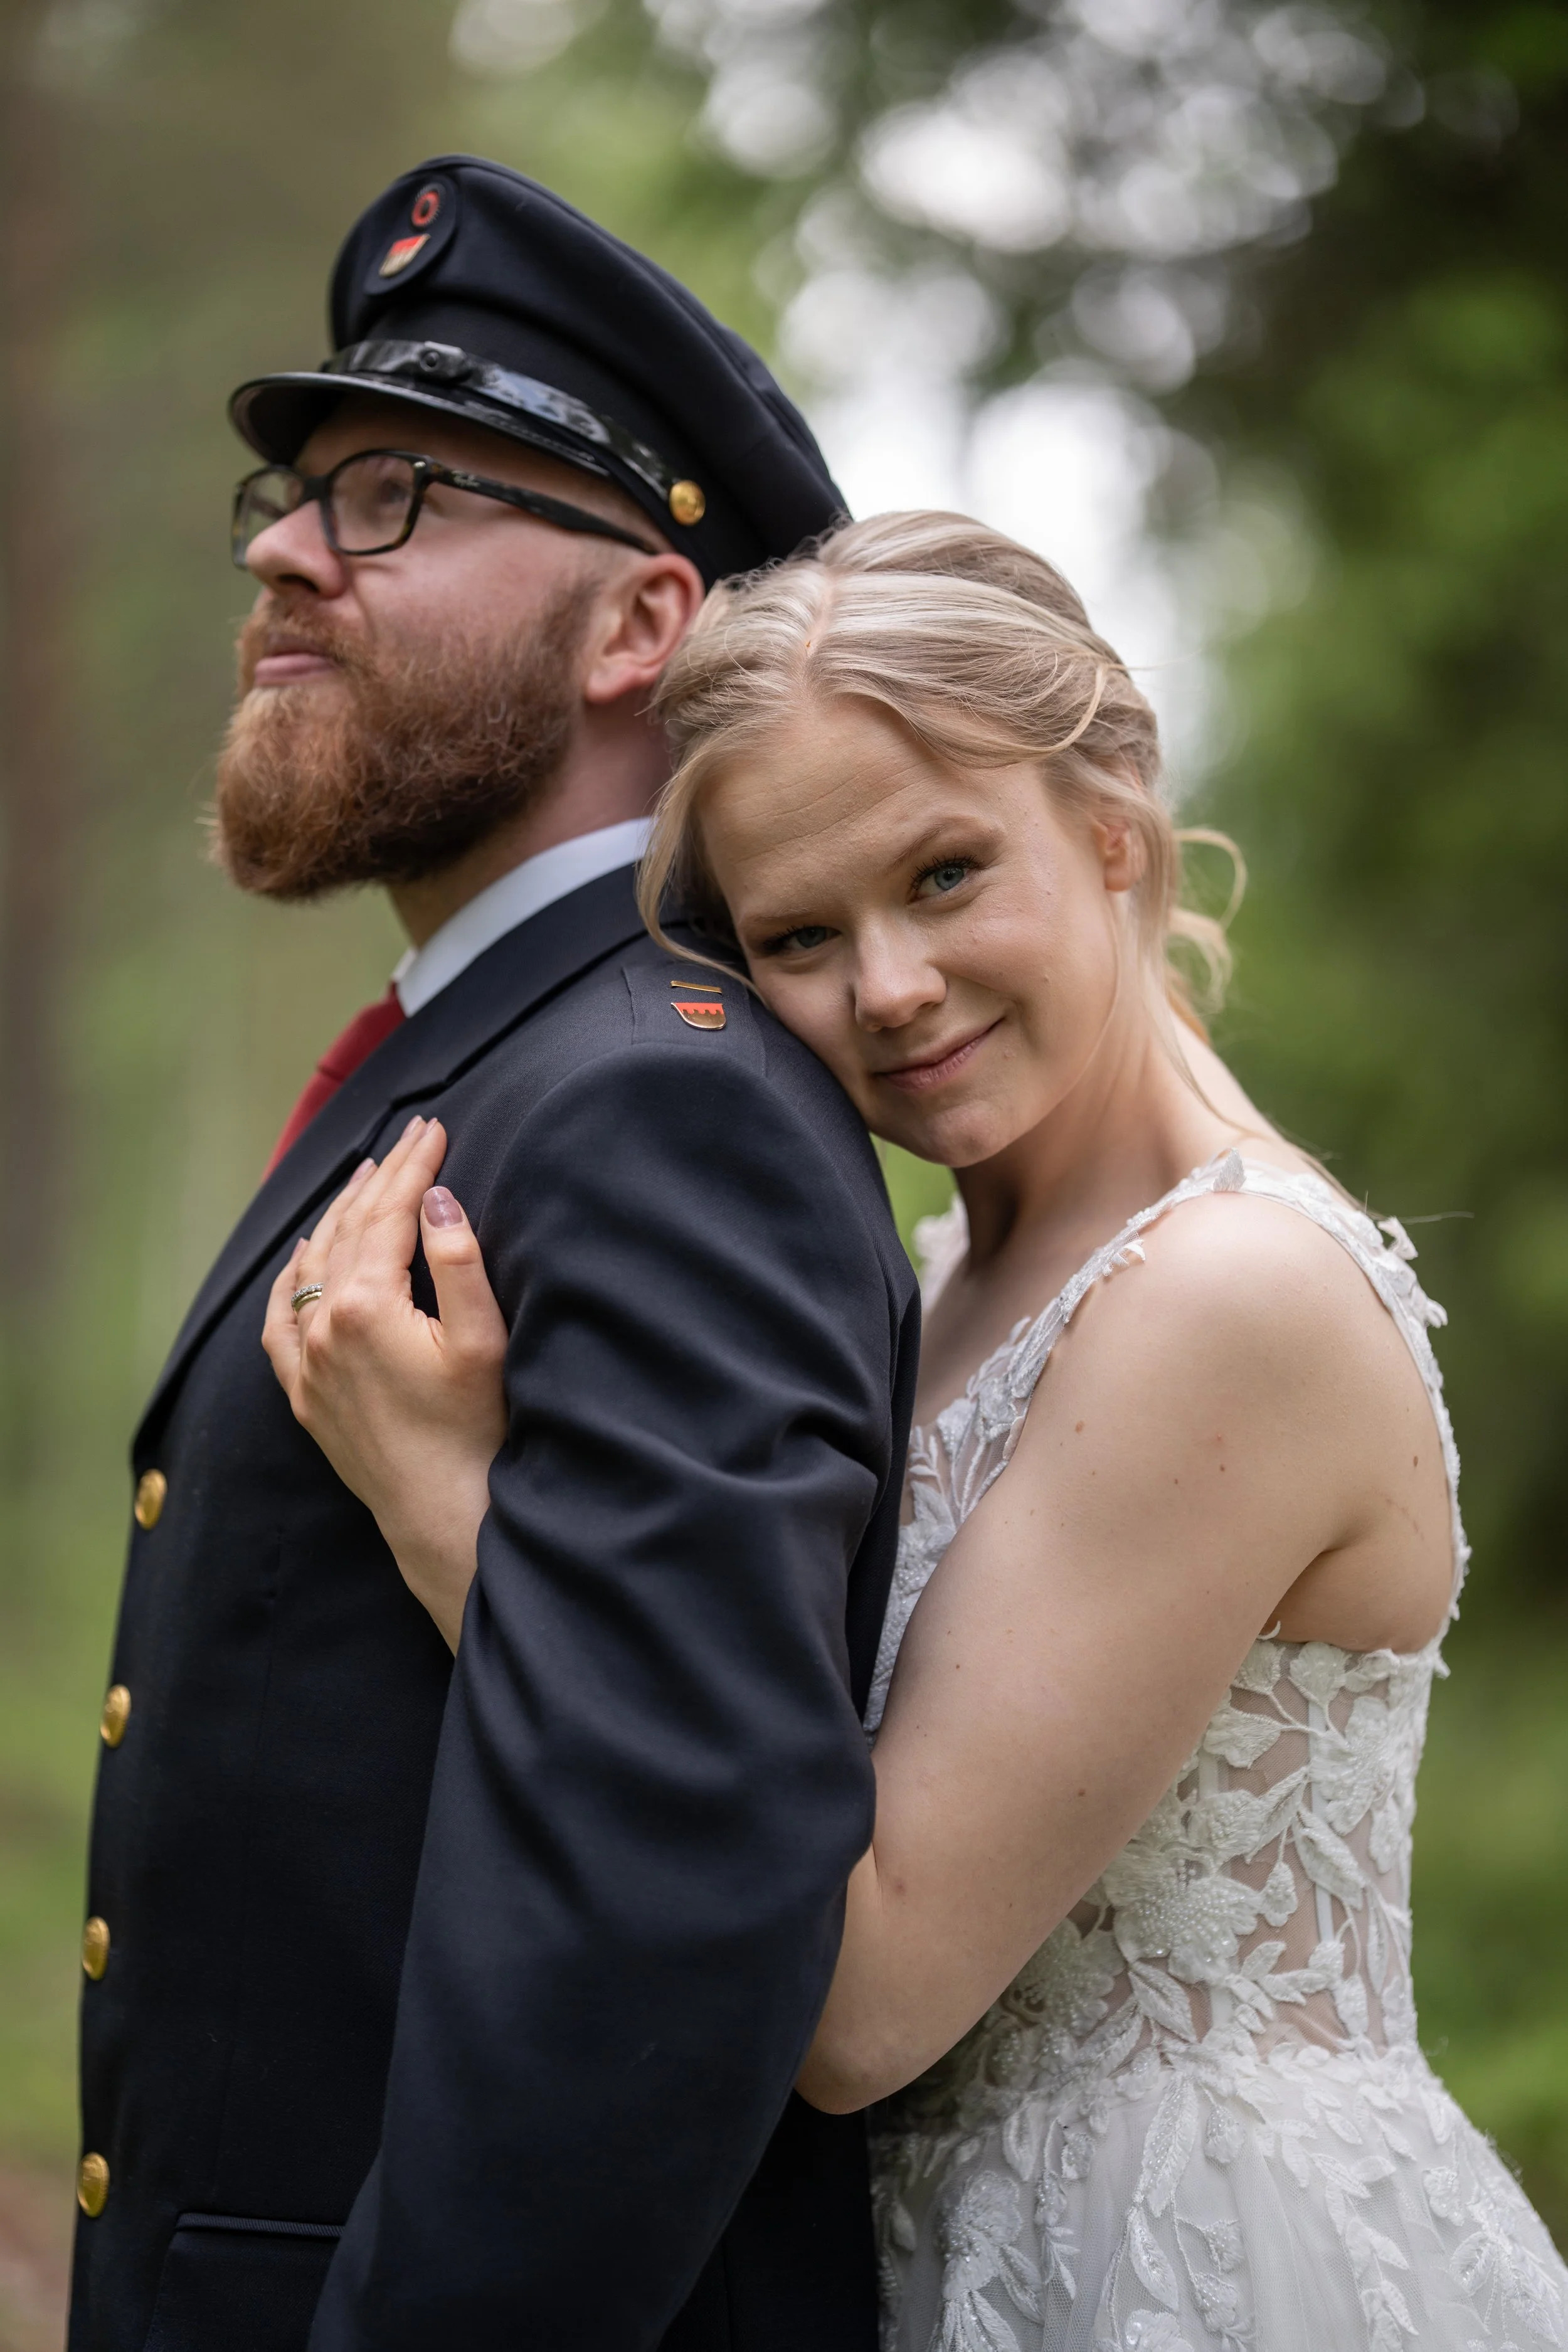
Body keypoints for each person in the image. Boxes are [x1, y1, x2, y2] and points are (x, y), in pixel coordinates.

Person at [278, 511, 1568, 2351]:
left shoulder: (1227, 1302)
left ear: (1110, 826)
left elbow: (864, 1993)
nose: (882, 987)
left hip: (1186, 2268)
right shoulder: (960, 1270)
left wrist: (452, 1510)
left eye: (947, 874)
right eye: (800, 932)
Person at [72, 158, 921, 2352]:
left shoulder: (662, 1104)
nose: (279, 547)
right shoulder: (513, 1054)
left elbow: (657, 1916)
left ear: (639, 623)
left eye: (390, 499)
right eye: (289, 491)